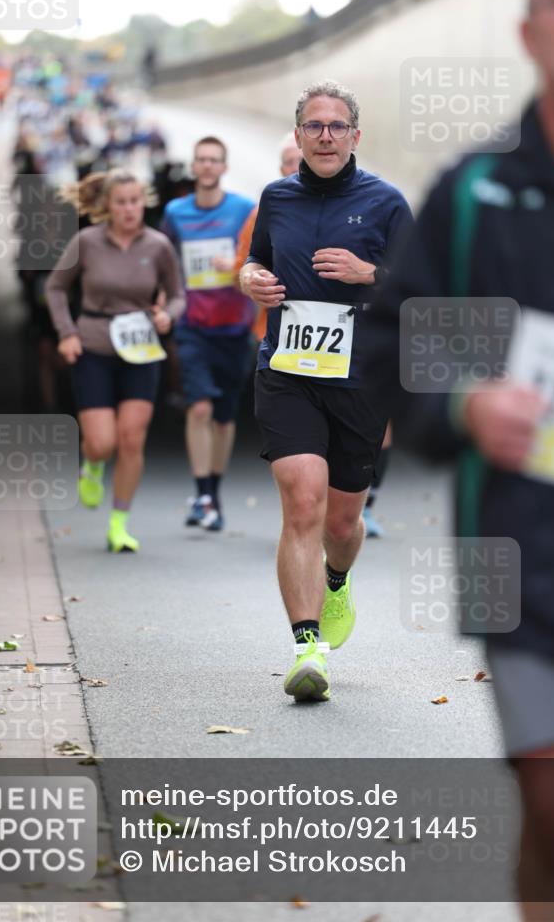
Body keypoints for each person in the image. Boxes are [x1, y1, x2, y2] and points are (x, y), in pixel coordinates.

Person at [369, 0, 554, 916]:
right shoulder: (476, 198)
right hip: (528, 562)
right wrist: (464, 400)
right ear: (529, 30)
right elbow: (398, 358)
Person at [240, 80, 412, 701]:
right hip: (287, 371)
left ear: (355, 136)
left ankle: (336, 579)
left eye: (337, 126)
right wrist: (250, 279)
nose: (326, 136)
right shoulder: (276, 198)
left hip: (360, 380)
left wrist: (372, 274)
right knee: (304, 504)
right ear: (298, 135)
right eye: (314, 126)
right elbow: (255, 261)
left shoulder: (387, 203)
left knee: (342, 520)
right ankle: (307, 647)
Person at [45, 169, 185, 552]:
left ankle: (119, 524)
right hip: (93, 345)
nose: (129, 209)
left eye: (135, 201)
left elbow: (177, 295)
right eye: (121, 202)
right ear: (107, 205)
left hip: (141, 349)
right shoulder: (86, 242)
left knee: (131, 439)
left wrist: (167, 315)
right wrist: (67, 333)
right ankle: (91, 465)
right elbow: (56, 288)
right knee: (102, 442)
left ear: (144, 202)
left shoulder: (158, 246)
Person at [162, 137, 256, 532]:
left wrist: (233, 266)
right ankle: (202, 493)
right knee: (198, 407)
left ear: (224, 166)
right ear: (193, 166)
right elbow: (163, 261)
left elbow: (259, 259)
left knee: (222, 417)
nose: (207, 166)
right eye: (201, 159)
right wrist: (163, 303)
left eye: (214, 160)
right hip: (192, 325)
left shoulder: (244, 210)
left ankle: (213, 492)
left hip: (235, 325)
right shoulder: (175, 212)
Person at [234, 133, 301, 344]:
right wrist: (253, 281)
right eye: (289, 162)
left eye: (301, 160)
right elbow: (240, 270)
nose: (296, 167)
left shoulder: (339, 210)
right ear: (281, 170)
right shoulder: (263, 213)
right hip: (273, 334)